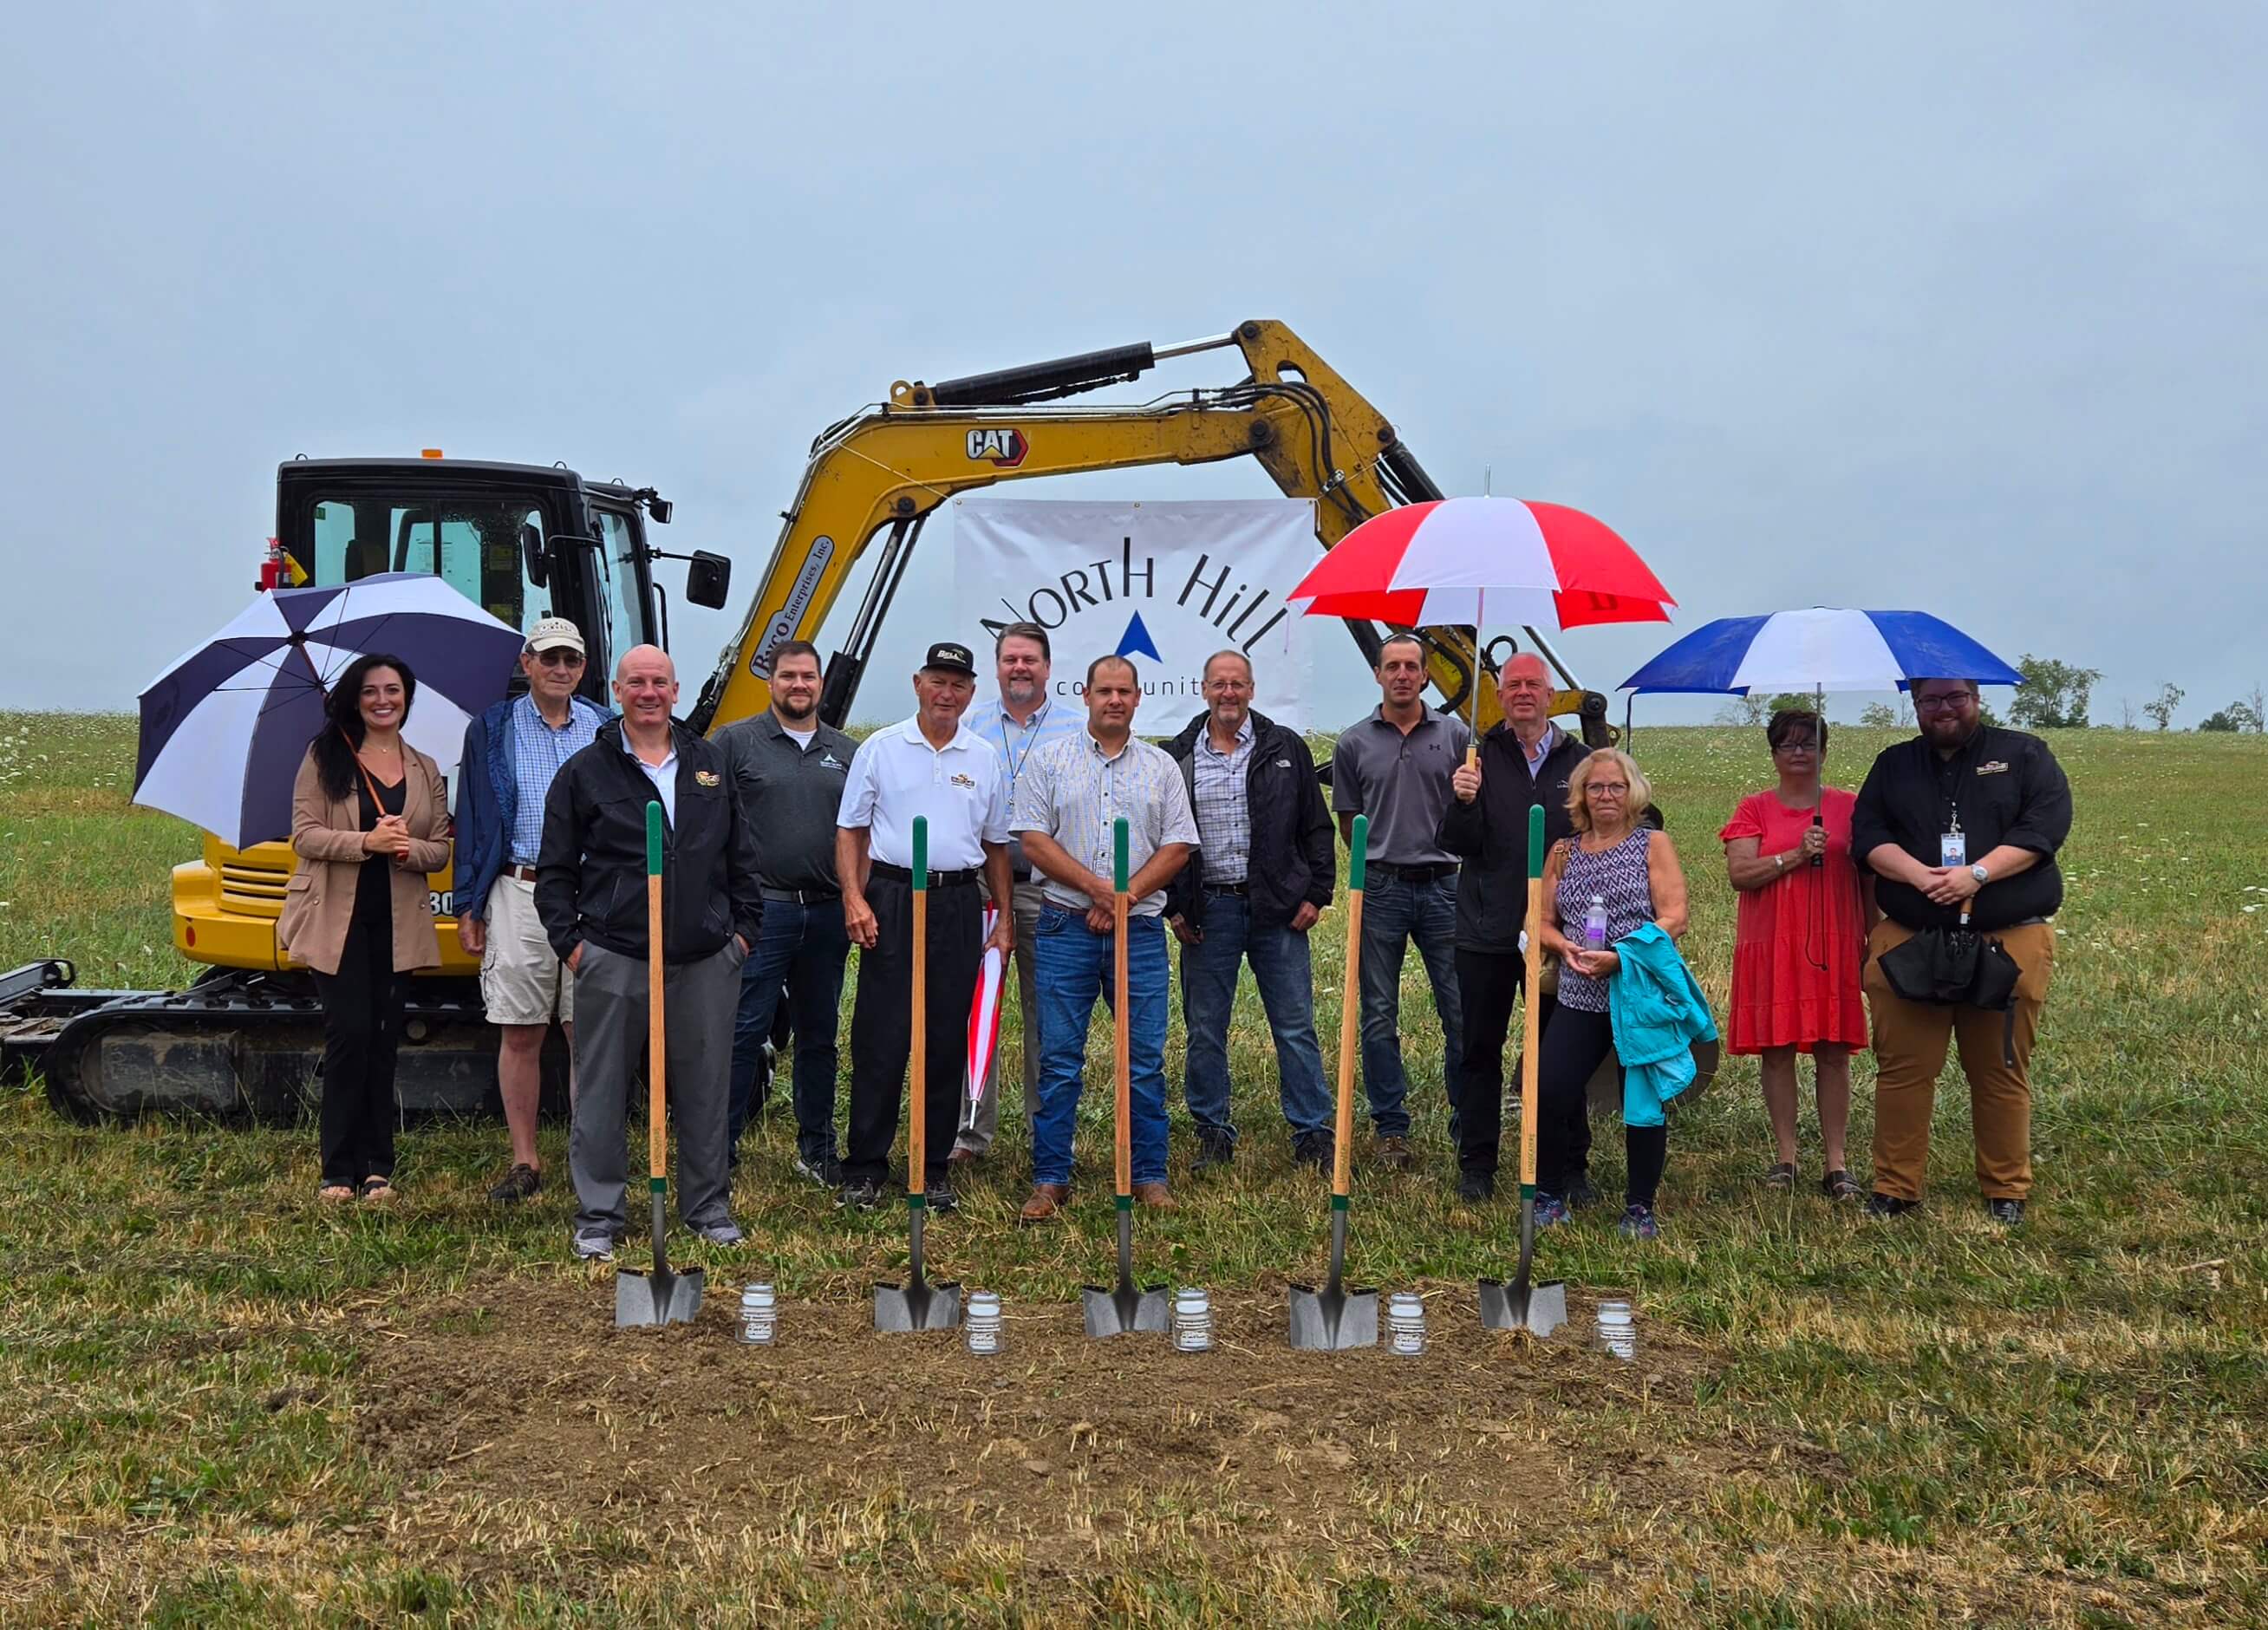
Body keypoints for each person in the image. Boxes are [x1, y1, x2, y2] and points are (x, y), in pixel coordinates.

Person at [534, 645, 762, 1261]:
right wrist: (575, 946)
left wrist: (741, 935)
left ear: (676, 689)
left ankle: (707, 1207)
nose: (649, 692)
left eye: (659, 681)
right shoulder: (586, 771)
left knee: (705, 1087)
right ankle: (600, 1218)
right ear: (618, 690)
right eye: (637, 682)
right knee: (603, 1090)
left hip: (704, 957)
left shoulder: (708, 764)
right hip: (615, 955)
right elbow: (554, 872)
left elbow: (741, 858)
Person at [1851, 678, 2070, 1225]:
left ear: (1976, 698)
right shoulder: (1894, 764)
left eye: (1956, 697)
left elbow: (2044, 829)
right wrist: (1921, 877)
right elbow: (1868, 834)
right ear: (1917, 705)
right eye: (1931, 700)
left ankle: (2006, 1189)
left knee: (1999, 1069)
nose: (1944, 708)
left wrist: (1976, 875)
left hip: (2007, 936)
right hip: (1911, 936)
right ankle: (1896, 1187)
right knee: (1903, 1069)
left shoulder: (2024, 755)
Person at [1013, 655, 1200, 1222]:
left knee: (1143, 1058)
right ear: (1087, 695)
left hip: (1139, 930)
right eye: (1104, 691)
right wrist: (1098, 889)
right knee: (1060, 1059)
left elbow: (1178, 846)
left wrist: (1124, 898)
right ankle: (1051, 1179)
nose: (1114, 700)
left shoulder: (1162, 768)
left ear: (1137, 698)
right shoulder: (1048, 761)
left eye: (1124, 691)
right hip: (1064, 924)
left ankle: (1147, 1174)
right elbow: (1033, 840)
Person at [835, 642, 1016, 1213]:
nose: (947, 693)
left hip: (957, 903)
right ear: (917, 683)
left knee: (943, 1039)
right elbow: (850, 830)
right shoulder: (881, 749)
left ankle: (933, 1166)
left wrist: (1005, 918)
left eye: (958, 685)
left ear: (970, 693)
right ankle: (865, 1166)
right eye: (937, 681)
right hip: (890, 896)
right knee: (881, 1039)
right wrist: (853, 900)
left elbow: (995, 847)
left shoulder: (983, 757)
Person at [277, 653, 452, 1203]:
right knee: (349, 1035)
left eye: (394, 691)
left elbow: (442, 847)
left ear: (407, 698)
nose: (383, 700)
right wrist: (365, 843)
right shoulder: (325, 757)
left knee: (383, 1041)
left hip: (397, 923)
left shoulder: (425, 768)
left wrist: (405, 849)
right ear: (356, 698)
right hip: (337, 918)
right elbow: (304, 836)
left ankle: (379, 1166)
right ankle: (337, 1168)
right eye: (372, 691)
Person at [453, 616, 607, 1203]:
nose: (560, 669)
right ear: (527, 664)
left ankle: (585, 1158)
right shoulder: (493, 729)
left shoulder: (603, 727)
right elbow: (473, 817)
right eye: (549, 659)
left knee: (585, 1030)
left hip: (590, 893)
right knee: (520, 1030)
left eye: (570, 660)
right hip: (519, 887)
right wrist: (471, 901)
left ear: (582, 668)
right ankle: (525, 1162)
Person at [1164, 650, 1335, 1171]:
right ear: (1204, 689)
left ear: (1252, 690)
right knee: (1205, 1028)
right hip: (1208, 910)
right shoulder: (1178, 756)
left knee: (1294, 1025)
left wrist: (1317, 892)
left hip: (1277, 911)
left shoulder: (1285, 747)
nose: (1229, 694)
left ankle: (1312, 1132)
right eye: (1219, 685)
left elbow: (1317, 826)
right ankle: (1212, 1130)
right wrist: (1175, 906)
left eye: (1238, 684)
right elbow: (1165, 837)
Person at [1437, 653, 1589, 1202]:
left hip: (1559, 935)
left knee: (1560, 1054)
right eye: (1513, 685)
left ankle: (1569, 1166)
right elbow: (1455, 844)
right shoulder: (1476, 758)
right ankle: (1477, 1164)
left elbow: (1607, 835)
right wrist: (1463, 802)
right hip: (1486, 929)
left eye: (1534, 684)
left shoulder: (1583, 760)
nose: (1523, 692)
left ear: (1553, 696)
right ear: (1499, 696)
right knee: (1480, 1050)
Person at [1534, 749, 1693, 1239]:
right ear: (1581, 795)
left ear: (1632, 794)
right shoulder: (1563, 850)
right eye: (1596, 787)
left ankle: (1640, 1207)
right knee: (1552, 1089)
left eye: (1616, 787)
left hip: (1636, 994)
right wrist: (1562, 945)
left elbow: (1675, 917)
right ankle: (1548, 1194)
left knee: (1642, 1101)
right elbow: (1538, 918)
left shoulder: (1652, 844)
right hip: (1579, 993)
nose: (1606, 796)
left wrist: (1621, 957)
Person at [715, 640, 857, 1185]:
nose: (799, 685)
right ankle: (719, 1148)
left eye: (808, 677)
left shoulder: (845, 750)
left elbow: (861, 834)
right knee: (743, 1030)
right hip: (761, 912)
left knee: (820, 1034)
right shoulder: (735, 743)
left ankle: (817, 1149)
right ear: (771, 682)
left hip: (825, 913)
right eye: (788, 676)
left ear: (821, 684)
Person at [1720, 708, 1874, 1200]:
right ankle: (1785, 1157)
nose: (1800, 752)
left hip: (1834, 941)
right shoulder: (1754, 808)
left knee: (1834, 1051)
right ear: (1773, 755)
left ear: (1825, 751)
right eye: (1788, 744)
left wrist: (1873, 940)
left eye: (1809, 743)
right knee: (1777, 1050)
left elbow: (1869, 879)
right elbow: (1741, 874)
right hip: (1773, 943)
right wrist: (1795, 855)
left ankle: (1836, 1162)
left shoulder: (1851, 807)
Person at [1329, 633, 1470, 1168]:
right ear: (1378, 675)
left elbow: (1469, 812)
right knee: (1378, 1013)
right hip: (1382, 889)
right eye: (1393, 667)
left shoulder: (1456, 737)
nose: (1403, 675)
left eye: (1412, 666)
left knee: (1458, 1009)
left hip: (1444, 887)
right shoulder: (1354, 743)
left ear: (1426, 675)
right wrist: (1376, 861)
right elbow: (1349, 819)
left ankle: (1466, 1117)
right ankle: (1392, 1127)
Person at [953, 621, 1082, 1170]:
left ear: (1048, 668)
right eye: (1010, 660)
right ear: (997, 667)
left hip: (1050, 892)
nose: (1020, 668)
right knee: (974, 1011)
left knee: (1048, 1017)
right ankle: (968, 1131)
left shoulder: (1078, 730)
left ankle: (1045, 1136)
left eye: (1030, 660)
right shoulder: (971, 726)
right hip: (981, 886)